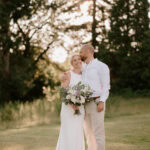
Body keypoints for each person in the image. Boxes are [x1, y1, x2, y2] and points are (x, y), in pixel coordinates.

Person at [80, 44, 110, 150]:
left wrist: (102, 101)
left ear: (88, 51)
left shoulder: (101, 66)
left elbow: (106, 86)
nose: (80, 54)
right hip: (84, 104)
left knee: (98, 133)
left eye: (81, 52)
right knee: (88, 134)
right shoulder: (82, 68)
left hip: (96, 102)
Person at [56, 54, 85, 150]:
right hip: (68, 108)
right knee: (68, 132)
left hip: (80, 107)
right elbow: (63, 91)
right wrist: (72, 104)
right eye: (74, 60)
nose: (77, 62)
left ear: (81, 60)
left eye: (79, 59)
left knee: (77, 131)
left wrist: (79, 102)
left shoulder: (84, 74)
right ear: (72, 63)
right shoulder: (68, 74)